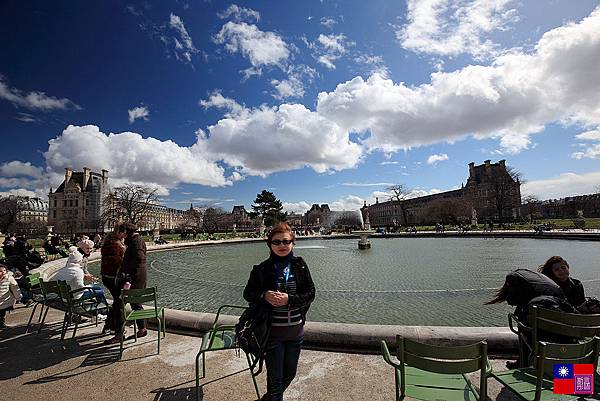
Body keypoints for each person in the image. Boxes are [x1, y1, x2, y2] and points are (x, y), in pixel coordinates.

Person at [243, 223, 316, 401]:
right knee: (275, 381)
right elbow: (248, 294)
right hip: (272, 333)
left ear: (293, 242)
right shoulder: (260, 269)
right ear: (269, 244)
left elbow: (311, 293)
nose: (281, 245)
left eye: (286, 241)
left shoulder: (301, 265)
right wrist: (264, 295)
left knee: (289, 375)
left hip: (296, 332)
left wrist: (289, 300)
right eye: (276, 242)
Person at [121, 222, 148, 338]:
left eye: (123, 232)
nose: (122, 235)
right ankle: (142, 328)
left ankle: (142, 328)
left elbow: (140, 258)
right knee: (135, 302)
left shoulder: (136, 242)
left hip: (136, 276)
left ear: (127, 232)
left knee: (135, 302)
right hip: (138, 274)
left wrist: (128, 271)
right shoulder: (137, 240)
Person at [100, 226, 126, 342]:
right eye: (124, 233)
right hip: (113, 278)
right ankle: (118, 332)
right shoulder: (115, 246)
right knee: (119, 303)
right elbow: (117, 262)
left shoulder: (107, 244)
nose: (125, 235)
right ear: (119, 234)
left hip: (107, 277)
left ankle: (109, 325)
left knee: (117, 301)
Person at [0, 263, 22, 329]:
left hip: (5, 299)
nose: (3, 272)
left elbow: (15, 288)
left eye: (4, 270)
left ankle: (1, 323)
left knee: (2, 312)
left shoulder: (9, 278)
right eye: (0, 271)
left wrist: (18, 297)